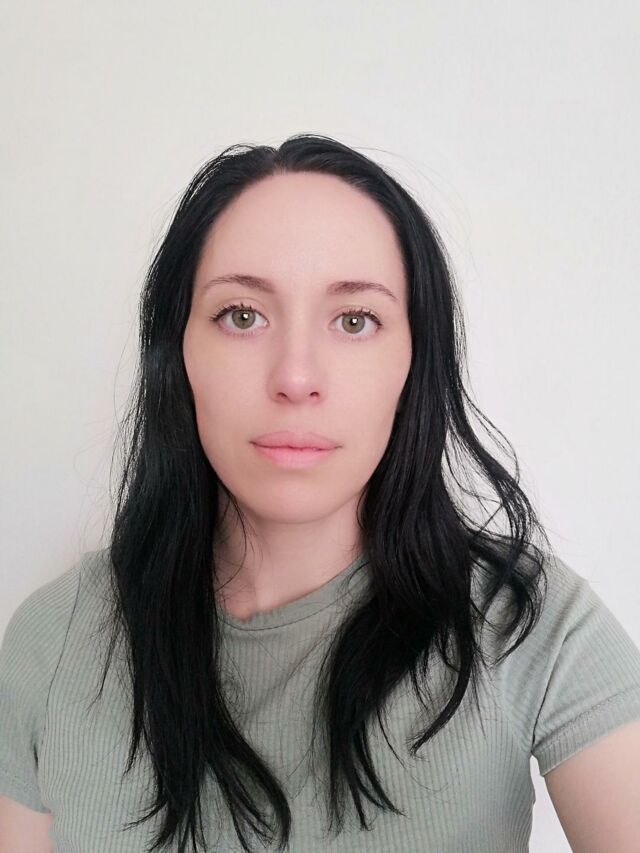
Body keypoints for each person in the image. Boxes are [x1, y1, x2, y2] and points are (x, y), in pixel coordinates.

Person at [2, 135, 640, 852]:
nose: (296, 377)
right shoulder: (53, 638)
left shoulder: (530, 624)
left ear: (413, 361)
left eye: (354, 320)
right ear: (177, 351)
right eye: (242, 315)